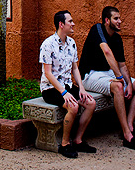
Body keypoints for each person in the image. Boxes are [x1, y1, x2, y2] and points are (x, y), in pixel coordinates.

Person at [79, 6, 135, 150]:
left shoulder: (117, 38)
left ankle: (128, 128)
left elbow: (122, 65)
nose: (120, 21)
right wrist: (119, 78)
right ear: (106, 20)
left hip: (106, 73)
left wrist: (128, 83)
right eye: (116, 18)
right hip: (89, 75)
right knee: (118, 86)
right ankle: (128, 137)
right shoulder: (97, 29)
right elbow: (107, 52)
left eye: (120, 18)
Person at [39, 10, 97, 158]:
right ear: (61, 24)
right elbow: (48, 73)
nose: (73, 24)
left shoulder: (71, 43)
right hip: (51, 89)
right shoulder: (48, 44)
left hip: (68, 86)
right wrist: (63, 93)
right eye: (70, 21)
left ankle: (78, 140)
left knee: (91, 103)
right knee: (73, 106)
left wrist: (82, 88)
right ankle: (65, 144)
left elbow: (75, 68)